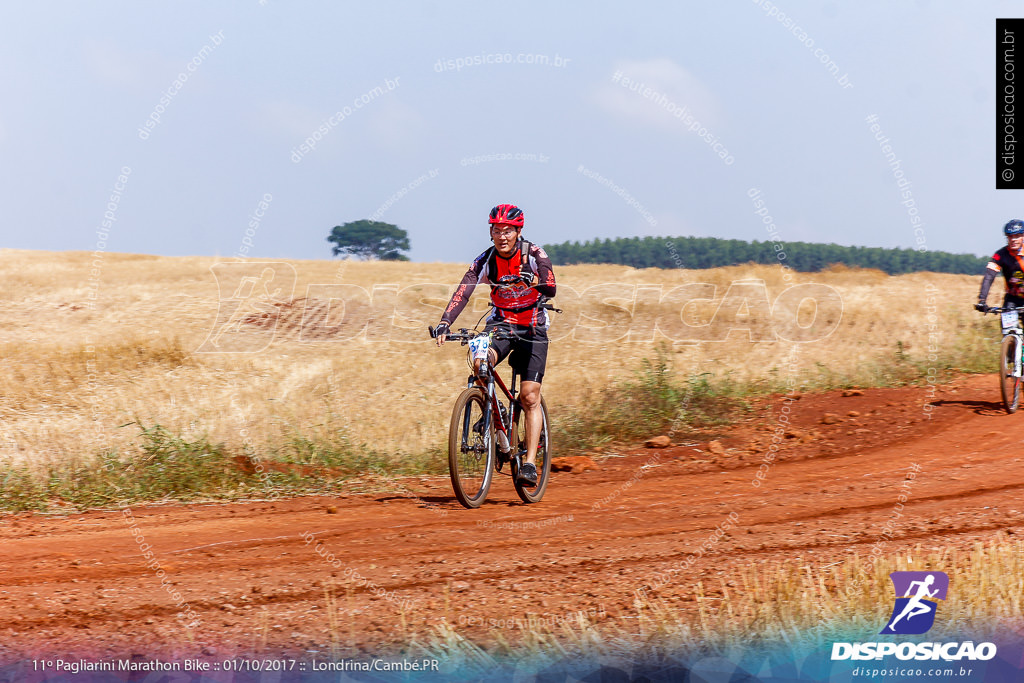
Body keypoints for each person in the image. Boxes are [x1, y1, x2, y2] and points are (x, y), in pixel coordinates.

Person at [433, 204, 557, 487]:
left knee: (528, 396)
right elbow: (463, 290)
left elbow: (551, 286)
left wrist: (533, 283)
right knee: (479, 361)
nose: (502, 236)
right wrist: (445, 322)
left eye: (508, 231)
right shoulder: (485, 260)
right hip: (501, 325)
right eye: (497, 230)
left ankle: (528, 465)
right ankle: (495, 410)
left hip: (533, 328)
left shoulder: (534, 254)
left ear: (518, 232)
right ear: (490, 232)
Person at [976, 219, 1024, 311]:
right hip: (1012, 298)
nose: (1013, 240)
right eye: (1010, 236)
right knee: (1009, 325)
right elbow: (989, 276)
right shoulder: (1000, 255)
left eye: (1017, 236)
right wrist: (982, 300)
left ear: (1023, 236)